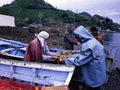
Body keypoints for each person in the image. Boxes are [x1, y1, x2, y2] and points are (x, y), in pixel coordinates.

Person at [63, 26, 106, 90]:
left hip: (94, 75)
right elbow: (82, 55)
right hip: (99, 72)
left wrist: (65, 60)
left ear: (81, 36)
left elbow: (79, 61)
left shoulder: (90, 46)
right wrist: (73, 56)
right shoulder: (92, 41)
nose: (77, 40)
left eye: (78, 38)